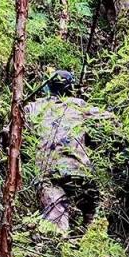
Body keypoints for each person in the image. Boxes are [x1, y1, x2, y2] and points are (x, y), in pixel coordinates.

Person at [25, 69, 113, 232]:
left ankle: (60, 246)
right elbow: (110, 121)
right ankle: (94, 246)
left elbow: (11, 132)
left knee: (56, 217)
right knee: (93, 215)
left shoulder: (34, 108)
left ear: (48, 86)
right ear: (70, 88)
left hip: (49, 172)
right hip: (80, 171)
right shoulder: (80, 106)